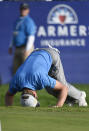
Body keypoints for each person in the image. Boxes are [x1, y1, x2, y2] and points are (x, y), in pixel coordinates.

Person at [5, 48, 88, 107]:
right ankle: (71, 101)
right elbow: (9, 95)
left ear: (34, 94)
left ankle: (80, 95)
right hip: (35, 53)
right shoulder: (15, 82)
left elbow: (64, 88)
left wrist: (58, 106)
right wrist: (9, 108)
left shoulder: (40, 79)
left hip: (51, 55)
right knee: (50, 89)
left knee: (61, 85)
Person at [8, 3, 36, 74]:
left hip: (25, 48)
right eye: (22, 9)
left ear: (28, 10)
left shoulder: (29, 21)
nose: (23, 10)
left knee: (26, 70)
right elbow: (14, 34)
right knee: (16, 70)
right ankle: (18, 85)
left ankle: (28, 85)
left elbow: (31, 37)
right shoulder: (17, 21)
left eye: (25, 9)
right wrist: (11, 46)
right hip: (17, 48)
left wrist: (27, 49)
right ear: (19, 10)